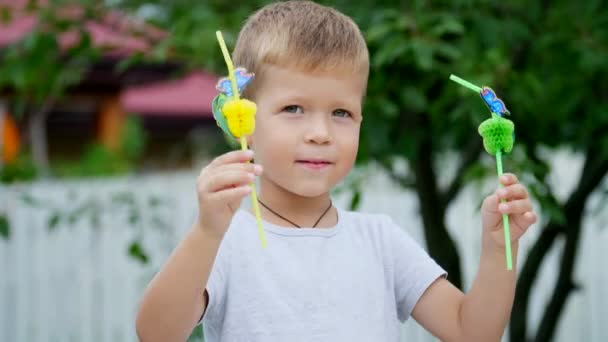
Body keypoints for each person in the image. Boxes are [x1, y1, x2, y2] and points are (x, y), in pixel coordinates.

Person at [135, 1, 537, 341]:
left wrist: (499, 248)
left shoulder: (381, 241)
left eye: (341, 112)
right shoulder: (225, 242)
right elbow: (156, 333)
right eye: (293, 109)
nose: (320, 133)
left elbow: (472, 332)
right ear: (244, 118)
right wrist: (206, 232)